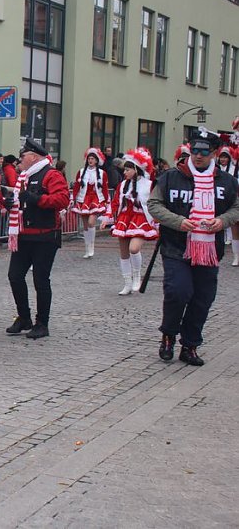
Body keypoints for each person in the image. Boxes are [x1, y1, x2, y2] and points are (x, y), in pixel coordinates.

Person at [148, 128, 239, 366]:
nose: (198, 156)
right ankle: (168, 335)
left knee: (202, 298)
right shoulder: (171, 176)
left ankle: (190, 345)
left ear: (214, 153)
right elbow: (154, 205)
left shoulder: (226, 181)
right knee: (178, 292)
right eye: (195, 151)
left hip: (209, 250)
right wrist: (178, 222)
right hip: (176, 246)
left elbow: (236, 208)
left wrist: (222, 221)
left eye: (204, 152)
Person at [4, 138, 70, 339]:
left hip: (44, 236)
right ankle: (24, 318)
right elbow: (19, 203)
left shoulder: (51, 174)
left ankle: (42, 323)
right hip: (24, 236)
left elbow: (62, 199)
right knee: (15, 276)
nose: (19, 160)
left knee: (40, 280)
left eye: (22, 156)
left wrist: (36, 199)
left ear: (33, 157)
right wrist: (10, 204)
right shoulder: (23, 176)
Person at [100, 148, 158, 294]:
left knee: (134, 248)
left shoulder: (149, 184)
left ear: (136, 169)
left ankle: (137, 275)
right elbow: (114, 203)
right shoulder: (123, 185)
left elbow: (155, 204)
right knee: (124, 252)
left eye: (127, 169)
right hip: (125, 218)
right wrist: (107, 217)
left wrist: (157, 221)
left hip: (141, 219)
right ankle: (127, 283)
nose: (124, 172)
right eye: (124, 169)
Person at [71, 148, 110, 259]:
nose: (90, 160)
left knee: (91, 222)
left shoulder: (102, 173)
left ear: (97, 161)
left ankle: (92, 246)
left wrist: (107, 201)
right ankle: (87, 248)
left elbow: (105, 188)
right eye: (89, 158)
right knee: (85, 225)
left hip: (96, 199)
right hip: (83, 199)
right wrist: (73, 199)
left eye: (92, 159)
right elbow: (76, 187)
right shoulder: (81, 171)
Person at [215, 141, 239, 265]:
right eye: (222, 157)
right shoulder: (218, 169)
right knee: (234, 226)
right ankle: (236, 256)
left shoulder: (234, 169)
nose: (223, 159)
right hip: (232, 198)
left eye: (226, 157)